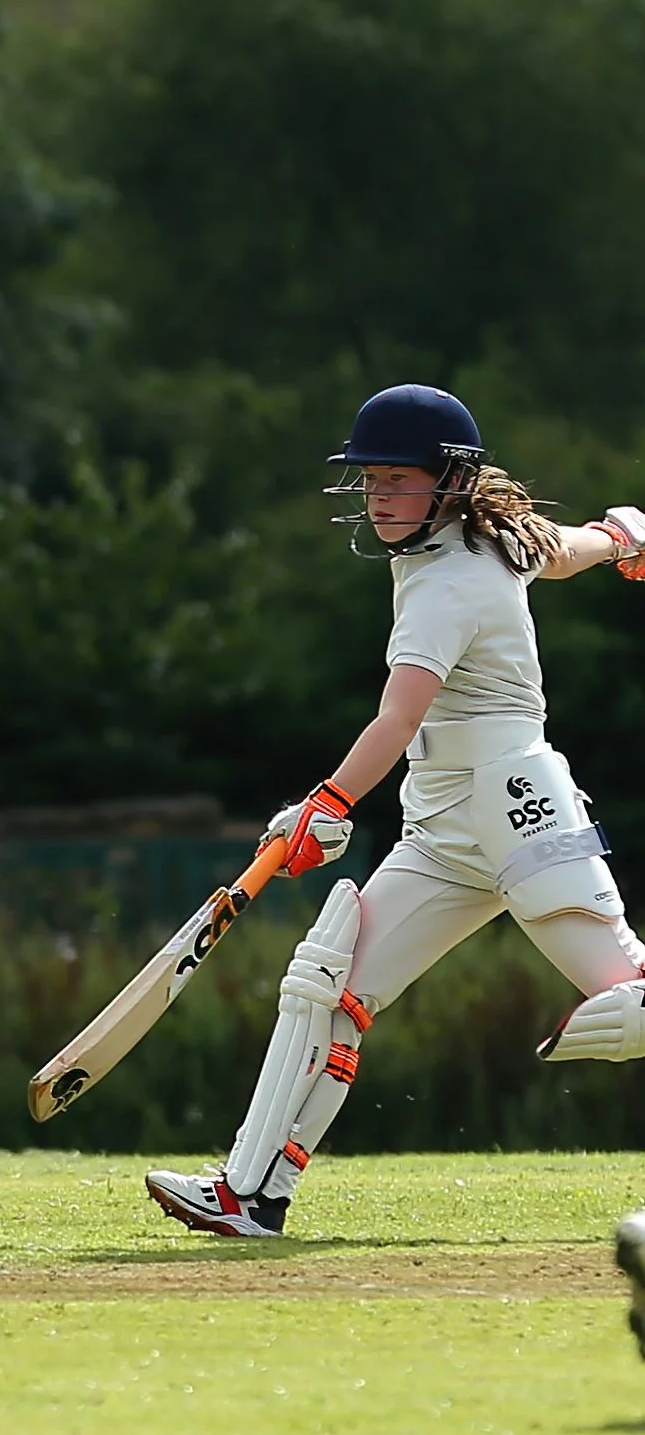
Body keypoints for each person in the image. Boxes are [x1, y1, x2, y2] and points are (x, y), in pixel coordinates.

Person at [143, 383, 645, 1242]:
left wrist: (327, 803)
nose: (377, 497)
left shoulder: (447, 583)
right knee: (326, 984)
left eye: (395, 479)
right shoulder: (493, 538)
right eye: (369, 479)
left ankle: (248, 1191)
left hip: (515, 806)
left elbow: (397, 717)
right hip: (446, 826)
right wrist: (620, 535)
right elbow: (562, 549)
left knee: (625, 997)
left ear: (450, 482)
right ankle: (249, 1196)